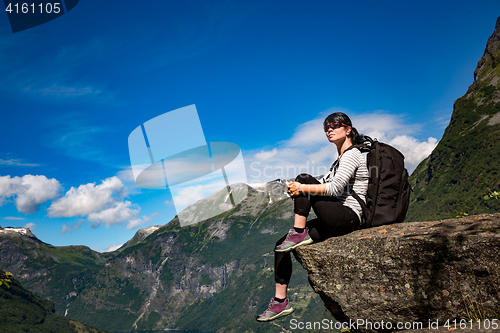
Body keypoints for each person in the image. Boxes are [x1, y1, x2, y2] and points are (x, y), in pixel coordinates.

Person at [256, 112, 369, 322]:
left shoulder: (353, 154)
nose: (329, 129)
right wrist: (298, 190)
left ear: (348, 129)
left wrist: (302, 186)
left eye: (335, 125)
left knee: (303, 179)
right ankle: (280, 302)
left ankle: (298, 231)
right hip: (337, 218)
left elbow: (334, 189)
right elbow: (322, 183)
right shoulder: (339, 160)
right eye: (326, 126)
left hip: (350, 217)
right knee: (281, 245)